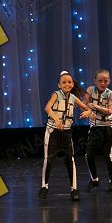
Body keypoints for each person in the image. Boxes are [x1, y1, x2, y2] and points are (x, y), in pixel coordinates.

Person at [40, 71, 92, 201]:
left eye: (69, 82)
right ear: (59, 85)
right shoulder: (56, 94)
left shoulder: (73, 98)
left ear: (73, 84)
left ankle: (74, 189)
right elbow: (47, 108)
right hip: (53, 132)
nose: (67, 84)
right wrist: (56, 120)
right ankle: (44, 186)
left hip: (67, 133)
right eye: (64, 82)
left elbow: (88, 109)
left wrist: (87, 112)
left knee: (70, 160)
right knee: (49, 159)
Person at [84, 69, 112, 192]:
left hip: (107, 128)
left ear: (109, 81)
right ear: (95, 81)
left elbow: (110, 111)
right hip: (95, 128)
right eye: (100, 80)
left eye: (105, 81)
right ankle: (94, 179)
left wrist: (95, 106)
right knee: (89, 155)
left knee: (108, 156)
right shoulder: (90, 90)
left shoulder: (110, 93)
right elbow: (83, 104)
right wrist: (88, 111)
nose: (103, 83)